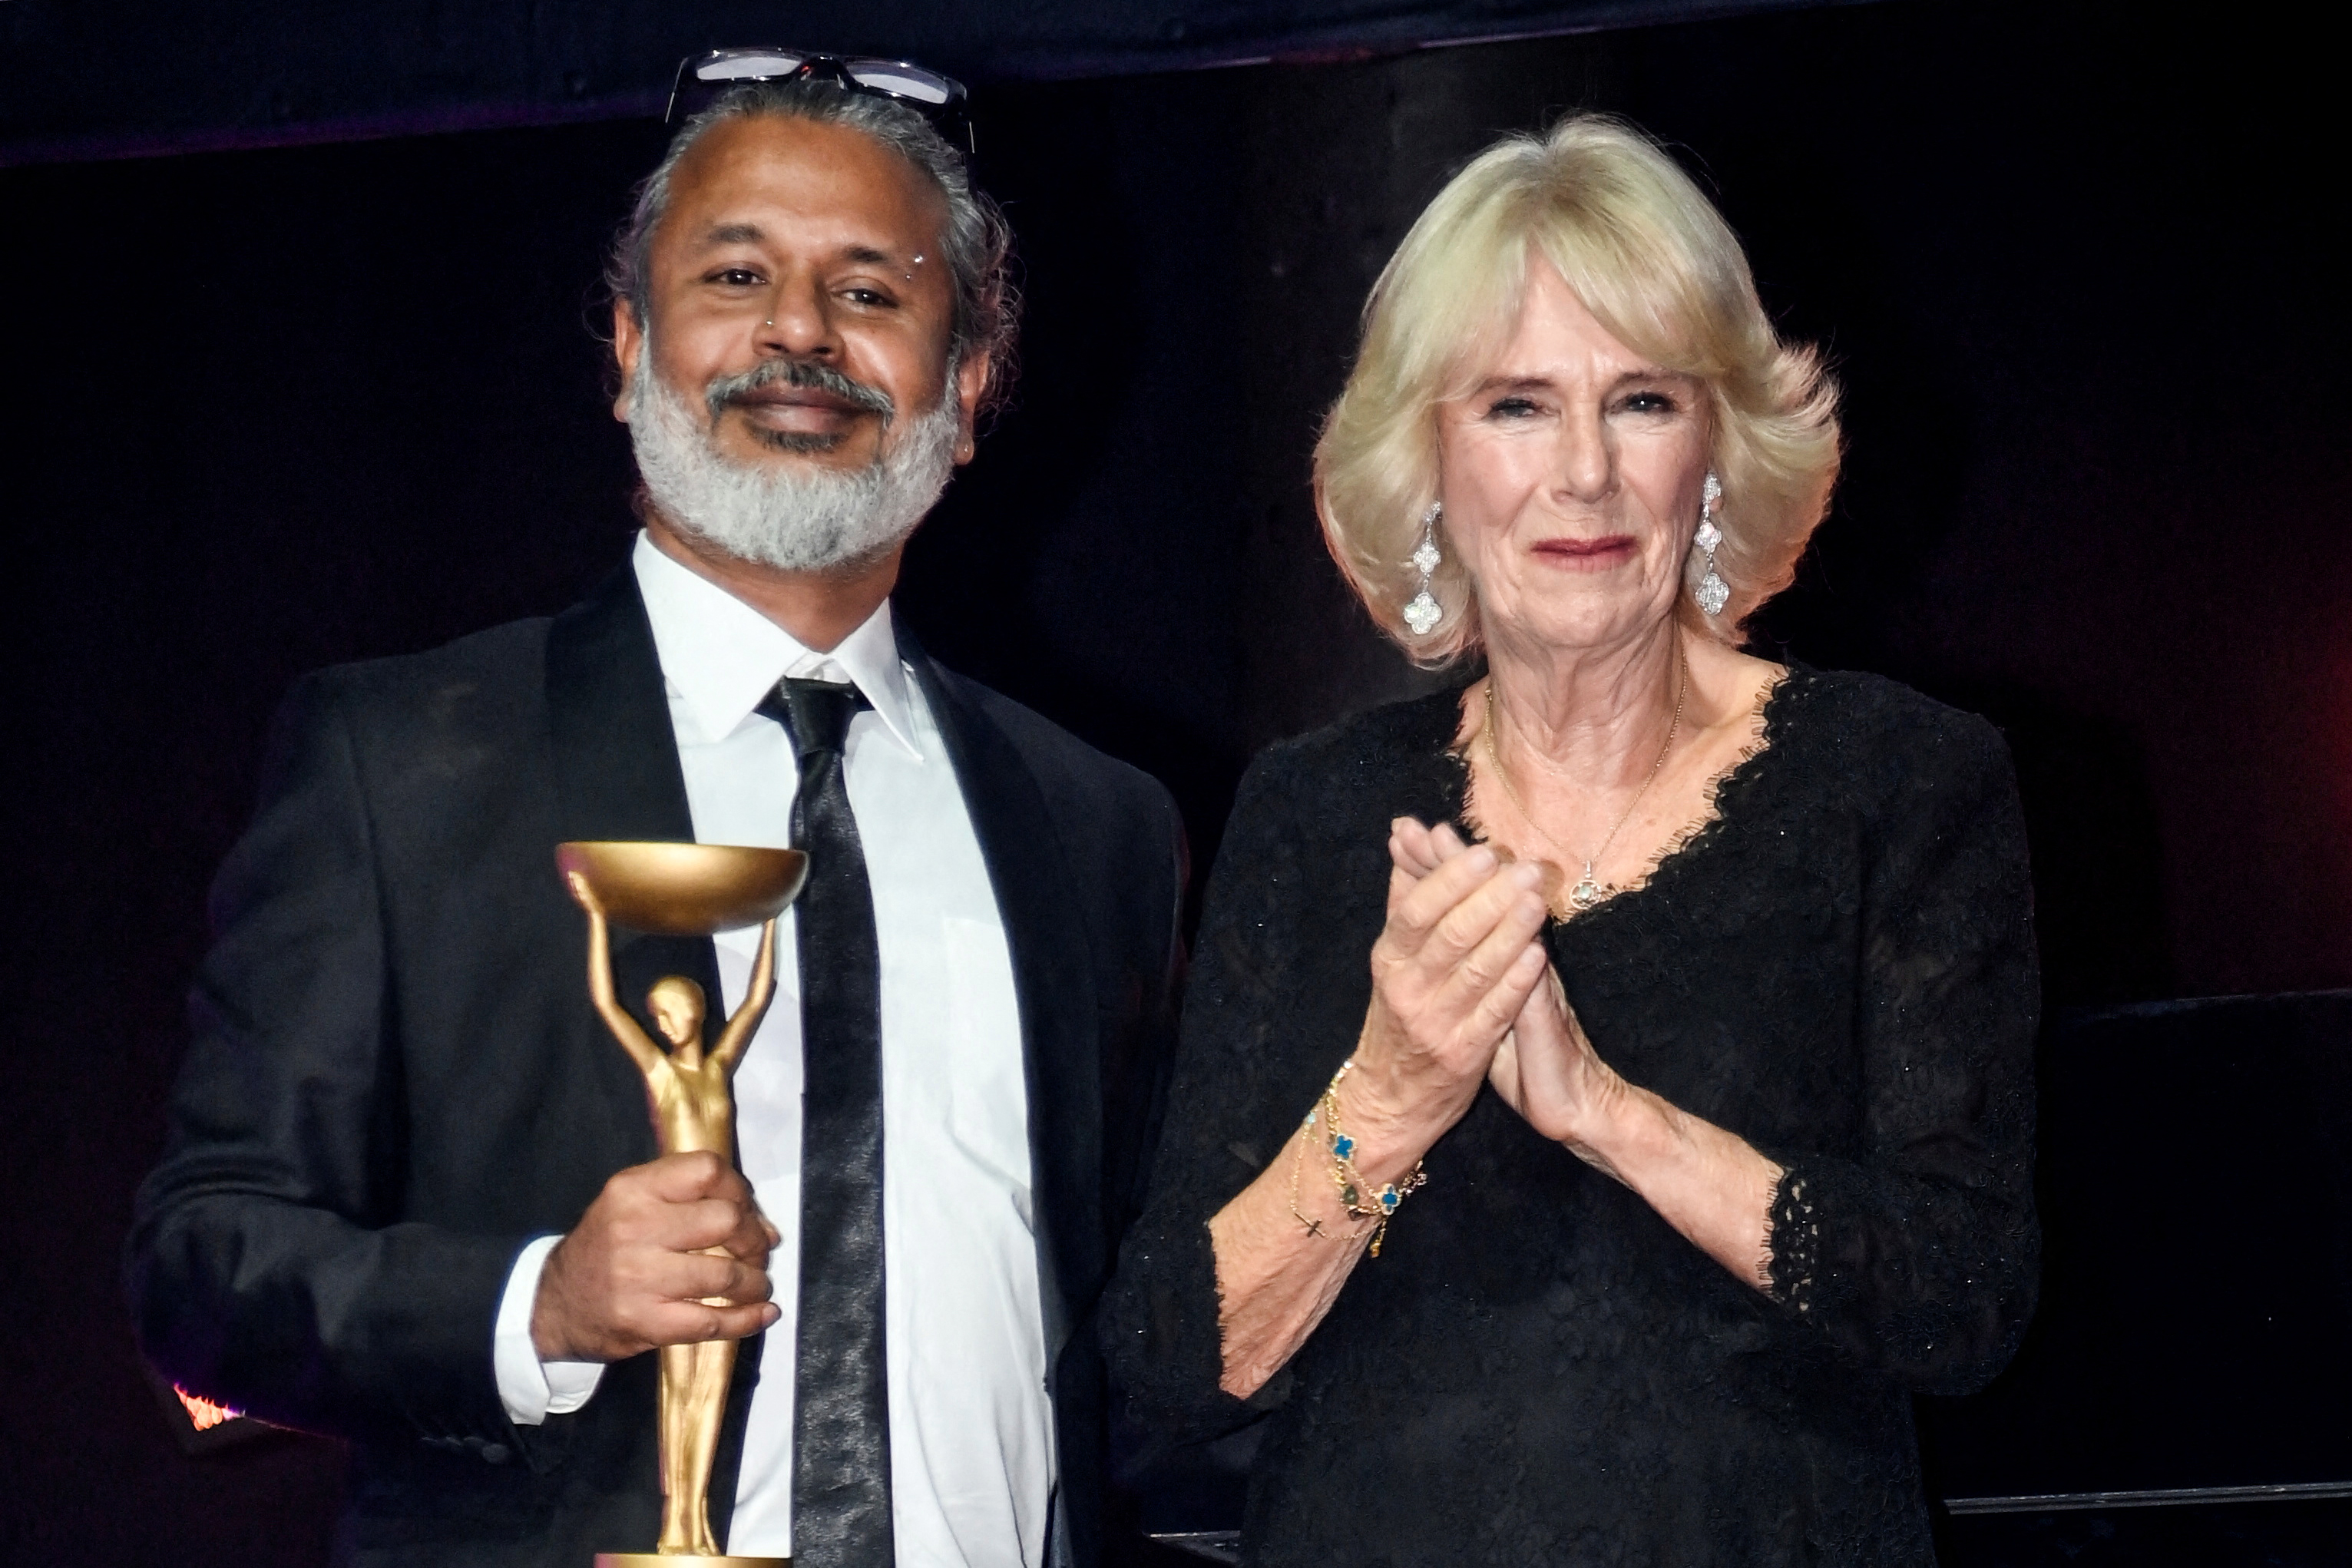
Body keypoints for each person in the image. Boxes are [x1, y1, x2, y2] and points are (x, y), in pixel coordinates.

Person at [127, 54, 1185, 1568]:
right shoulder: (403, 762)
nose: (799, 332)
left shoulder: (1102, 828)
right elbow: (201, 1265)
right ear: (627, 348)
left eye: (870, 293)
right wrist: (534, 1303)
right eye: (735, 274)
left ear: (968, 389)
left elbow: (1129, 1332)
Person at [1102, 114, 2038, 1565]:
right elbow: (1172, 1362)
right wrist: (1396, 1089)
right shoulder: (1312, 811)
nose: (1586, 473)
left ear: (1718, 447)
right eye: (1519, 407)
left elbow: (1960, 1299)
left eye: (1644, 401)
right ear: (1430, 467)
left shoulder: (1901, 781)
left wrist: (1614, 1115)